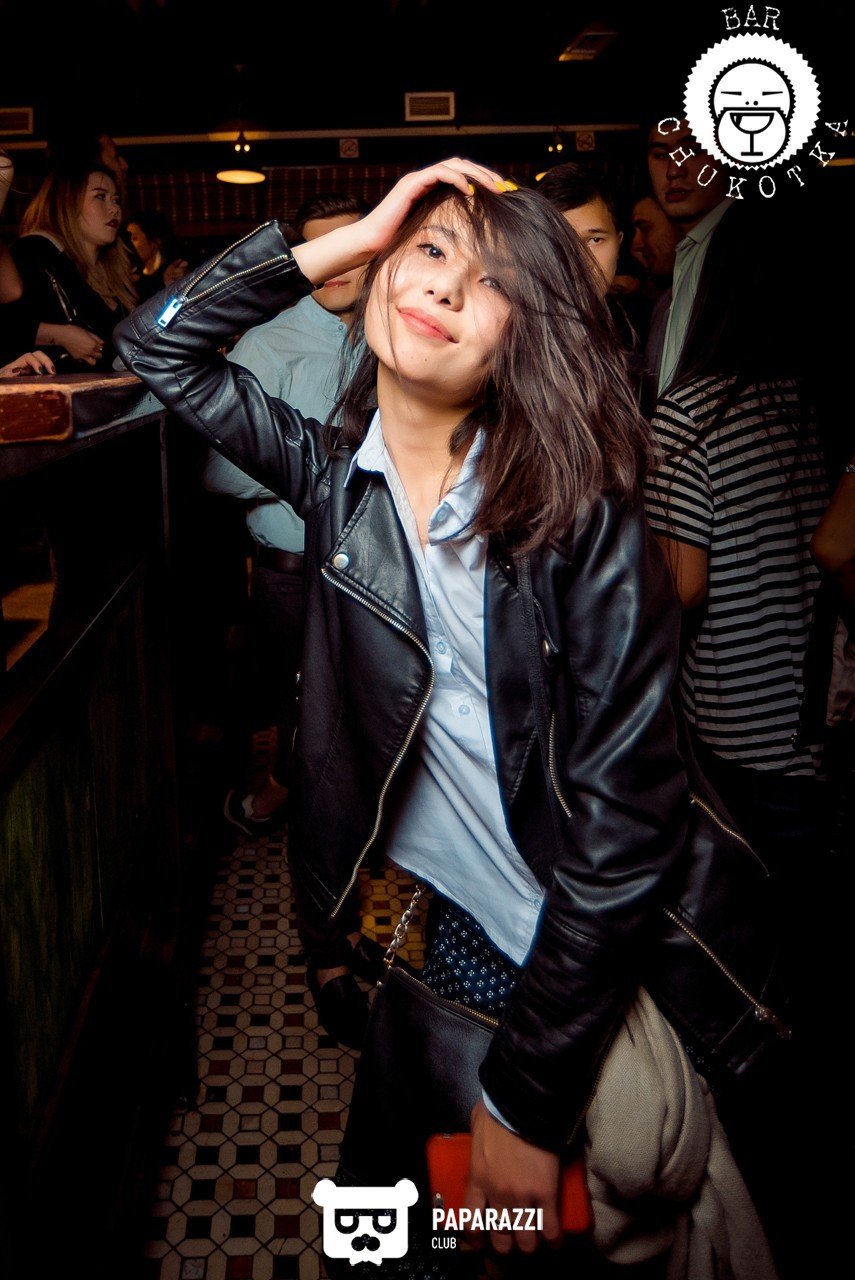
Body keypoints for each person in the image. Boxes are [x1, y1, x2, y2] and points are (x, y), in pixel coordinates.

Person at [116, 159, 784, 1275]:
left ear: (527, 338)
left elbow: (626, 829)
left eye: (492, 282)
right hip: (427, 938)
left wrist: (525, 1101)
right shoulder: (338, 483)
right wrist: (359, 235)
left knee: (513, 1239)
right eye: (429, 253)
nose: (442, 286)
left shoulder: (577, 520)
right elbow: (158, 345)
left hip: (562, 970)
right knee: (397, 1234)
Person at [202, 191, 378, 1048]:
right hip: (293, 578)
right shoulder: (265, 346)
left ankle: (355, 913)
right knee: (321, 760)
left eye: (351, 247)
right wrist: (313, 461)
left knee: (365, 754)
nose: (338, 266)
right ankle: (329, 949)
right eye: (320, 252)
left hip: (378, 577)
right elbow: (217, 475)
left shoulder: (387, 336)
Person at [12, 166, 136, 371]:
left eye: (115, 200)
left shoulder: (113, 269)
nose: (114, 209)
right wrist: (60, 335)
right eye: (100, 197)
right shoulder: (35, 251)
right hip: (51, 389)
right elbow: (7, 322)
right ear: (67, 202)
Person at [646, 118, 730, 393]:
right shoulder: (690, 253)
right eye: (661, 155)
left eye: (693, 150)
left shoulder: (749, 252)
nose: (674, 170)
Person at [126, 211, 188, 300]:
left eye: (135, 238)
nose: (130, 244)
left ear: (155, 241)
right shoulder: (132, 274)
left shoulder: (173, 271)